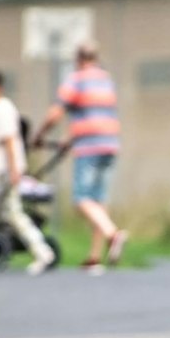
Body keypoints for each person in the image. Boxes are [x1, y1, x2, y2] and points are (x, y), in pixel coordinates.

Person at [31, 41, 128, 272]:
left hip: (89, 148)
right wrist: (68, 138)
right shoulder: (106, 80)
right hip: (110, 144)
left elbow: (56, 113)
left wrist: (40, 135)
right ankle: (94, 256)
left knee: (82, 199)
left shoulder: (77, 79)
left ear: (78, 59)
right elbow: (91, 115)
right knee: (98, 201)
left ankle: (112, 234)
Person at [0, 70, 58, 276]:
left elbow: (9, 141)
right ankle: (43, 252)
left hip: (0, 171)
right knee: (13, 213)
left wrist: (15, 170)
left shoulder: (2, 109)